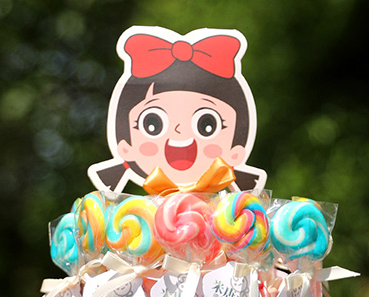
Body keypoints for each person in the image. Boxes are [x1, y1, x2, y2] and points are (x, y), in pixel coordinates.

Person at [88, 26, 267, 194]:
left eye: (207, 124)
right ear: (126, 146)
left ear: (236, 152)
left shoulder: (239, 211)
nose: (179, 131)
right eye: (152, 124)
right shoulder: (125, 213)